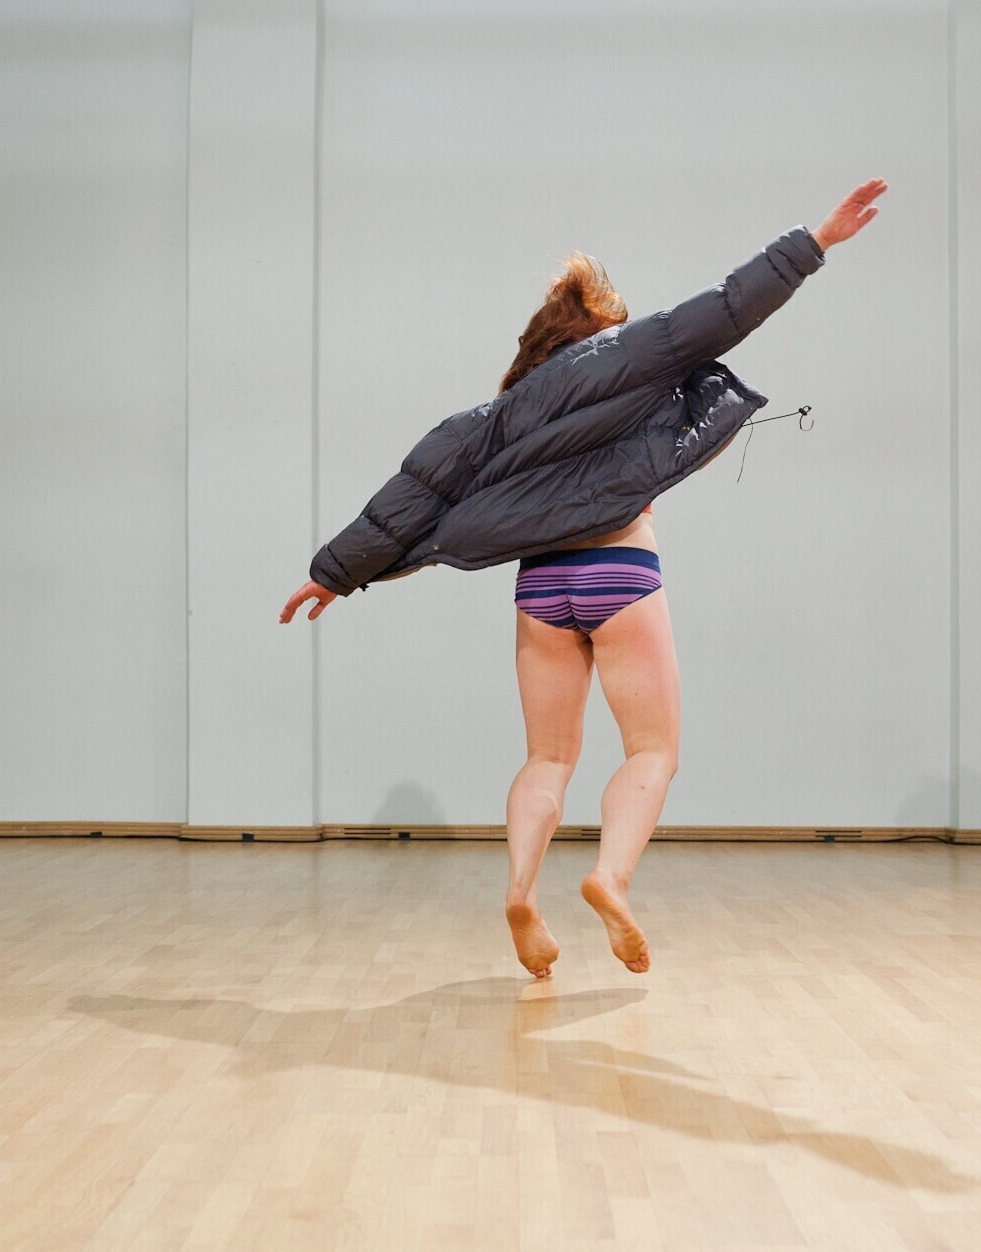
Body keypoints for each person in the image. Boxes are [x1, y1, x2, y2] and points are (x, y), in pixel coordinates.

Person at [281, 179, 888, 977]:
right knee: (652, 750)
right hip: (620, 569)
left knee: (547, 757)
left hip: (542, 588)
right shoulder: (634, 353)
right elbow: (729, 306)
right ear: (601, 326)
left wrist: (332, 572)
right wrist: (816, 242)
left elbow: (412, 492)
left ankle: (520, 892)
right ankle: (611, 876)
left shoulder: (497, 415)